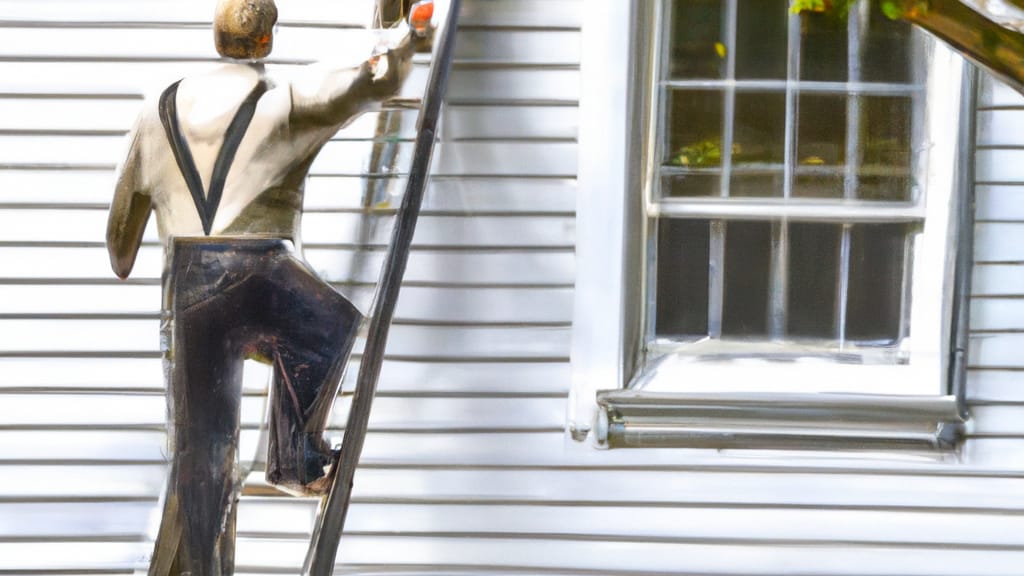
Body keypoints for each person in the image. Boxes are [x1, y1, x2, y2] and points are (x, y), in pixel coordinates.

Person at [105, 0, 433, 573]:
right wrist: (404, 37)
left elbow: (119, 248)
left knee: (204, 468)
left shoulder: (154, 114)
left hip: (186, 294)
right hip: (256, 275)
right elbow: (370, 81)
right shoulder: (283, 104)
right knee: (325, 324)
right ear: (265, 42)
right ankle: (296, 459)